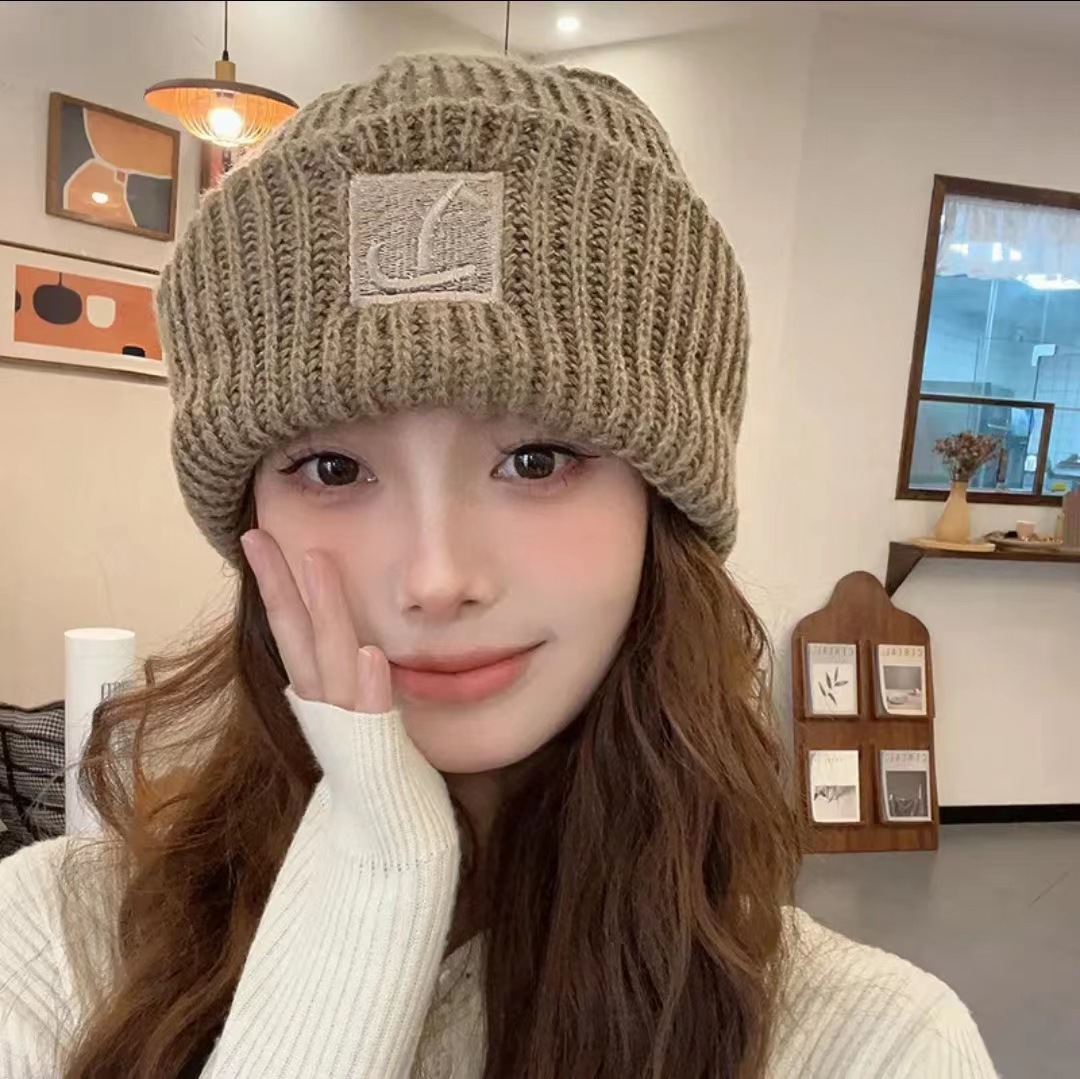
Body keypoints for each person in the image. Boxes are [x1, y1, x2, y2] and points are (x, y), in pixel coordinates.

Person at [0, 54, 996, 1079]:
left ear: (661, 506)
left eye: (538, 459)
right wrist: (364, 893)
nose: (437, 578)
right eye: (333, 467)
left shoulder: (870, 1044)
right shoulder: (54, 950)